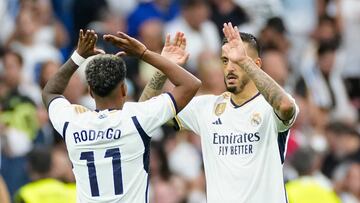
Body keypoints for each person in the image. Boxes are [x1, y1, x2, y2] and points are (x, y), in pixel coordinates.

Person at [141, 22, 299, 202]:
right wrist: (163, 69)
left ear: (256, 64)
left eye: (238, 60)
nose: (230, 68)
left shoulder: (270, 107)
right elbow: (144, 113)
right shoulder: (206, 108)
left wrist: (244, 62)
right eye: (225, 61)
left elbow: (286, 107)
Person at [42, 29, 200, 203]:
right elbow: (190, 84)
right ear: (124, 89)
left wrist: (78, 56)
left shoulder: (73, 123)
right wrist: (144, 53)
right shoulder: (136, 119)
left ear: (90, 92)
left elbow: (50, 92)